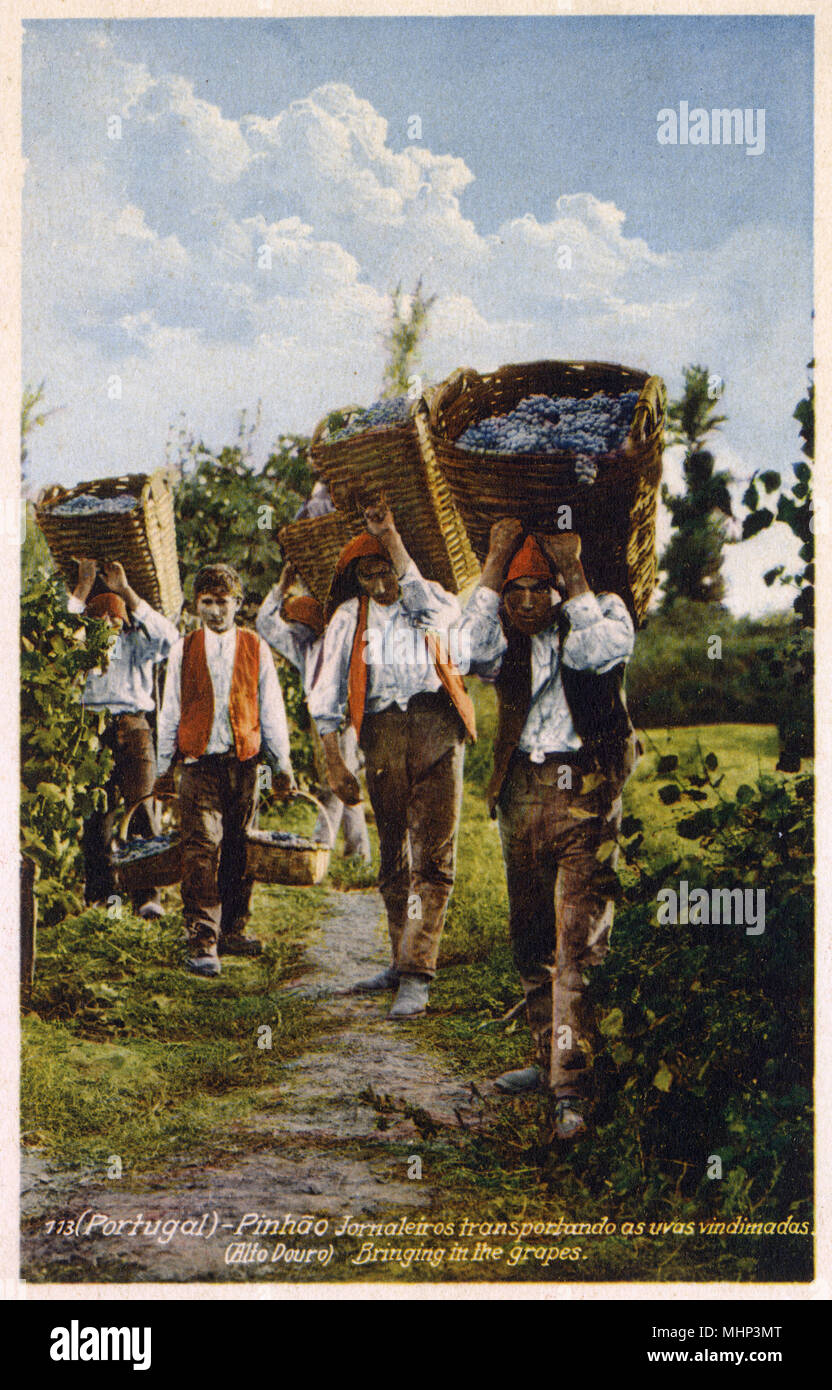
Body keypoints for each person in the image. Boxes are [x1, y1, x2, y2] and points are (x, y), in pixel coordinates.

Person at [460, 520, 637, 1140]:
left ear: (560, 587)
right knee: (531, 931)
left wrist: (576, 572)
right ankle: (546, 1055)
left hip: (584, 789)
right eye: (516, 591)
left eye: (541, 589)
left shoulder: (602, 611)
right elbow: (461, 650)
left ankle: (572, 1087)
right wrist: (494, 561)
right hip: (523, 791)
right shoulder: (504, 631)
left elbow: (600, 653)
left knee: (577, 940)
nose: (528, 602)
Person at [307, 503, 476, 1019]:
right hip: (381, 733)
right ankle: (398, 959)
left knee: (434, 856)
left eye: (386, 571)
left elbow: (436, 614)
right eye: (368, 574)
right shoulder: (348, 618)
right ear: (356, 578)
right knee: (393, 855)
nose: (381, 584)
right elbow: (325, 698)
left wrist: (393, 540)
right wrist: (335, 764)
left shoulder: (430, 597)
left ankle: (418, 973)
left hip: (435, 725)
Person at [154, 563, 295, 977]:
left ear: (239, 604)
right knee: (200, 850)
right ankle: (202, 939)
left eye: (224, 602)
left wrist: (281, 763)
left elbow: (271, 711)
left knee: (239, 847)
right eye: (207, 602)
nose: (216, 611)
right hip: (199, 767)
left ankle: (233, 927)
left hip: (244, 766)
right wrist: (165, 768)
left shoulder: (255, 647)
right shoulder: (183, 648)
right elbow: (171, 711)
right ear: (197, 604)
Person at [68, 558, 178, 918]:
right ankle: (100, 895)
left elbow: (170, 638)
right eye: (101, 618)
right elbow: (57, 633)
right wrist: (83, 589)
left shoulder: (139, 644)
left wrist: (126, 592)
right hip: (93, 731)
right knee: (97, 814)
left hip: (133, 728)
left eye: (116, 619)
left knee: (141, 806)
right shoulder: (82, 646)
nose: (110, 625)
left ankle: (146, 895)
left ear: (126, 621)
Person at [256, 563, 371, 863]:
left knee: (336, 783)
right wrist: (281, 587)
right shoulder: (301, 647)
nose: (297, 631)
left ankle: (321, 847)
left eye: (304, 625)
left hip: (344, 718)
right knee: (342, 779)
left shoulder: (335, 640)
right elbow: (266, 625)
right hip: (321, 721)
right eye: (294, 625)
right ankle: (358, 853)